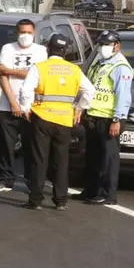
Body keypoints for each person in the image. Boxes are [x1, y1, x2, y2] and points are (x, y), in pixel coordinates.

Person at [19, 33, 96, 211]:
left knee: (40, 159)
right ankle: (60, 200)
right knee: (61, 160)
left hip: (42, 118)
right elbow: (89, 90)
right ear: (65, 51)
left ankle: (35, 199)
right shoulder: (74, 70)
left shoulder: (40, 67)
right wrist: (79, 108)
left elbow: (26, 90)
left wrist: (25, 108)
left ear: (47, 49)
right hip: (64, 120)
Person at [0, 19, 48, 193]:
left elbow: (38, 75)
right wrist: (13, 102)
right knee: (6, 146)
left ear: (34, 33)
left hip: (32, 107)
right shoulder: (8, 49)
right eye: (23, 32)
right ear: (17, 33)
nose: (26, 36)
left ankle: (32, 182)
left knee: (32, 147)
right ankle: (5, 180)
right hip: (8, 106)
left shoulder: (40, 51)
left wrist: (9, 70)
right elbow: (1, 75)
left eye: (29, 33)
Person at [82, 30, 133, 206]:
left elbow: (123, 96)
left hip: (109, 118)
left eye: (106, 44)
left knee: (108, 158)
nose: (102, 47)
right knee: (93, 157)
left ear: (117, 46)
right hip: (93, 115)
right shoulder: (100, 62)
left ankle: (107, 194)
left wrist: (117, 120)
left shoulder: (121, 67)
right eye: (101, 44)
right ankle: (90, 190)